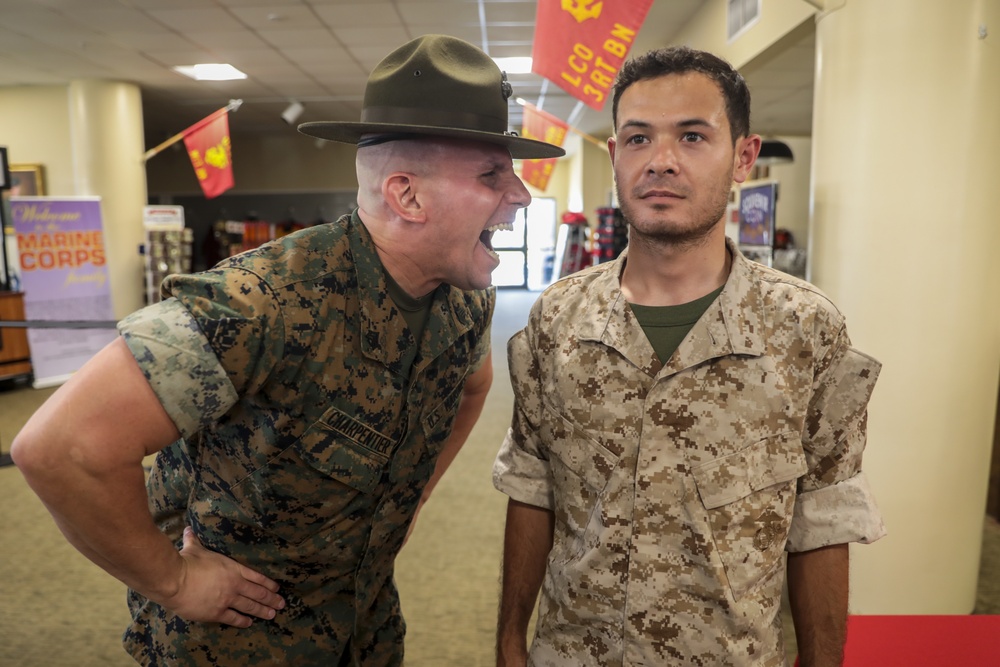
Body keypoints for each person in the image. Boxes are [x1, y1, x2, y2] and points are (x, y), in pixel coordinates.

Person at [12, 34, 563, 666]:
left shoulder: (463, 298)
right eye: (493, 175)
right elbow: (61, 450)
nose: (520, 194)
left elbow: (471, 386)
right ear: (407, 196)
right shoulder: (259, 302)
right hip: (237, 643)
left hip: (366, 623)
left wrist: (415, 497)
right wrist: (175, 582)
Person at [493, 46, 885, 667]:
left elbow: (824, 516)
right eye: (639, 138)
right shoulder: (558, 320)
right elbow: (532, 486)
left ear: (743, 157)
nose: (662, 161)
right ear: (617, 156)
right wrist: (509, 642)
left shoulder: (805, 329)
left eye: (693, 137)